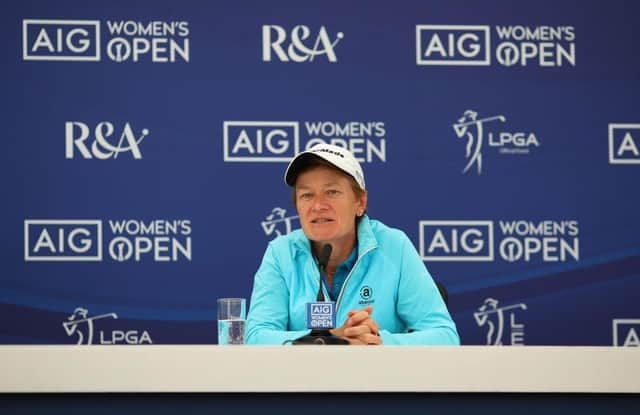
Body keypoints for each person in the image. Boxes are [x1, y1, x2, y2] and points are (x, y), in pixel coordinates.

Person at [245, 143, 460, 345]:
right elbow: (256, 336)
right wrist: (328, 340)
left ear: (360, 203)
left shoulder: (395, 246)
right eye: (307, 195)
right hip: (304, 383)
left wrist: (378, 342)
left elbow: (445, 336)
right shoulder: (281, 253)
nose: (318, 205)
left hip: (379, 382)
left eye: (332, 192)